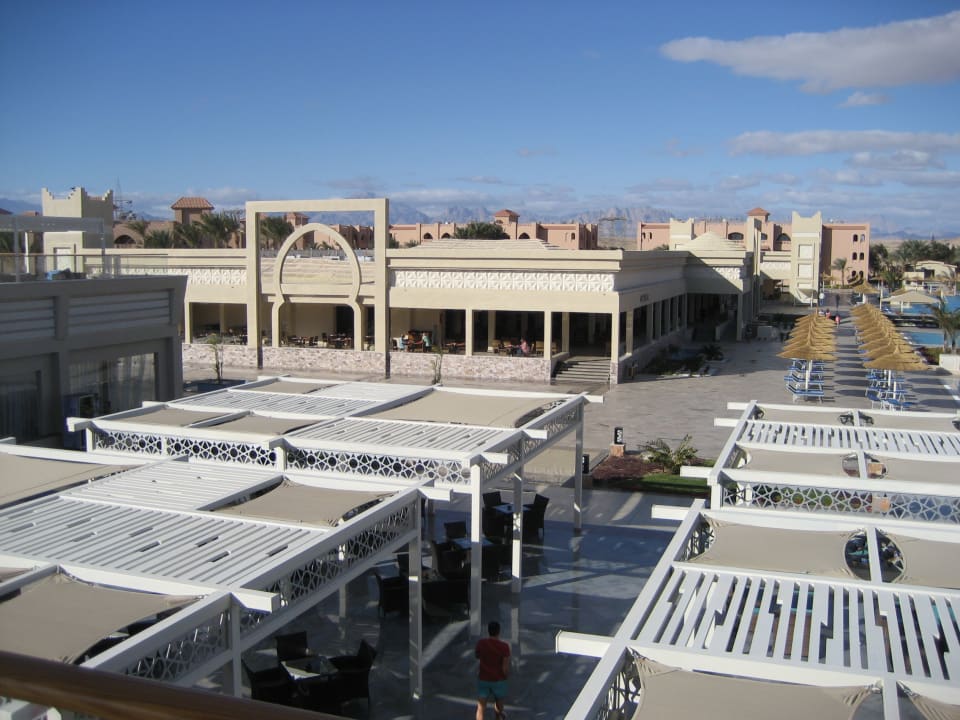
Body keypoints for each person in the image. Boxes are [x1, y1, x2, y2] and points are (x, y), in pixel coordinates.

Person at [476, 620, 510, 720]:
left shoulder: (481, 643)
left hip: (483, 679)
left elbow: (477, 655)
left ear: (488, 631)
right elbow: (505, 667)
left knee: (481, 708)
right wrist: (506, 677)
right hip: (498, 680)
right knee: (499, 707)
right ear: (499, 632)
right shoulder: (504, 647)